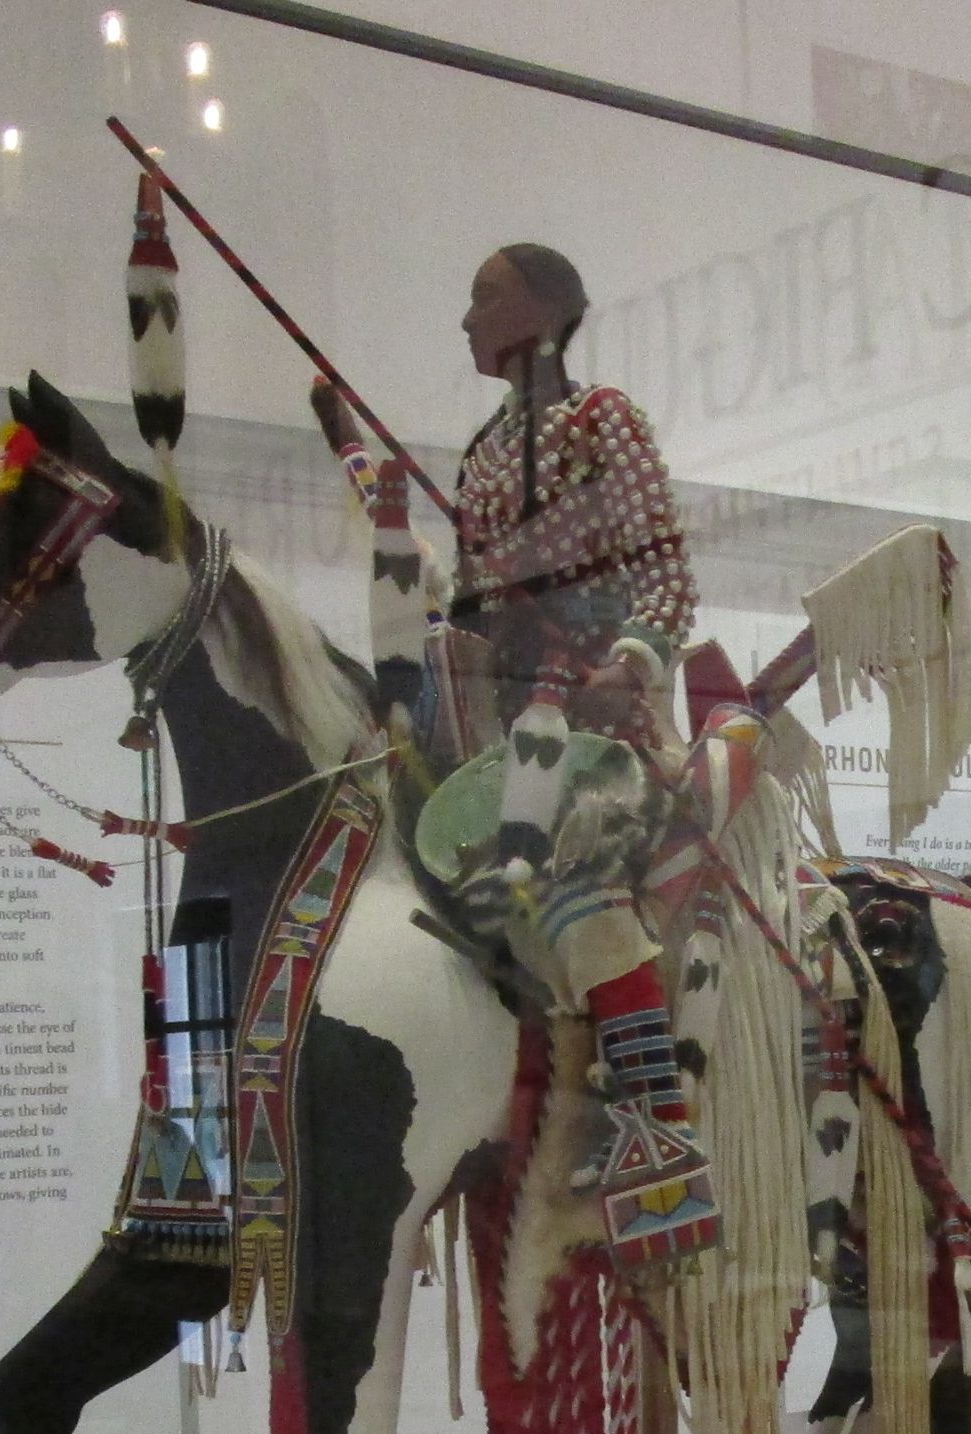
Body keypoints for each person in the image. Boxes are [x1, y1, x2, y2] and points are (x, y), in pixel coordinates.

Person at [315, 244, 710, 1248]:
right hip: (499, 720)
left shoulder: (602, 421)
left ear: (539, 310)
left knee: (576, 882)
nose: (465, 319)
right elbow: (461, 591)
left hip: (594, 717)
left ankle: (655, 1133)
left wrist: (628, 663)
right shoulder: (485, 450)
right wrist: (351, 452)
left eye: (483, 298)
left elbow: (665, 571)